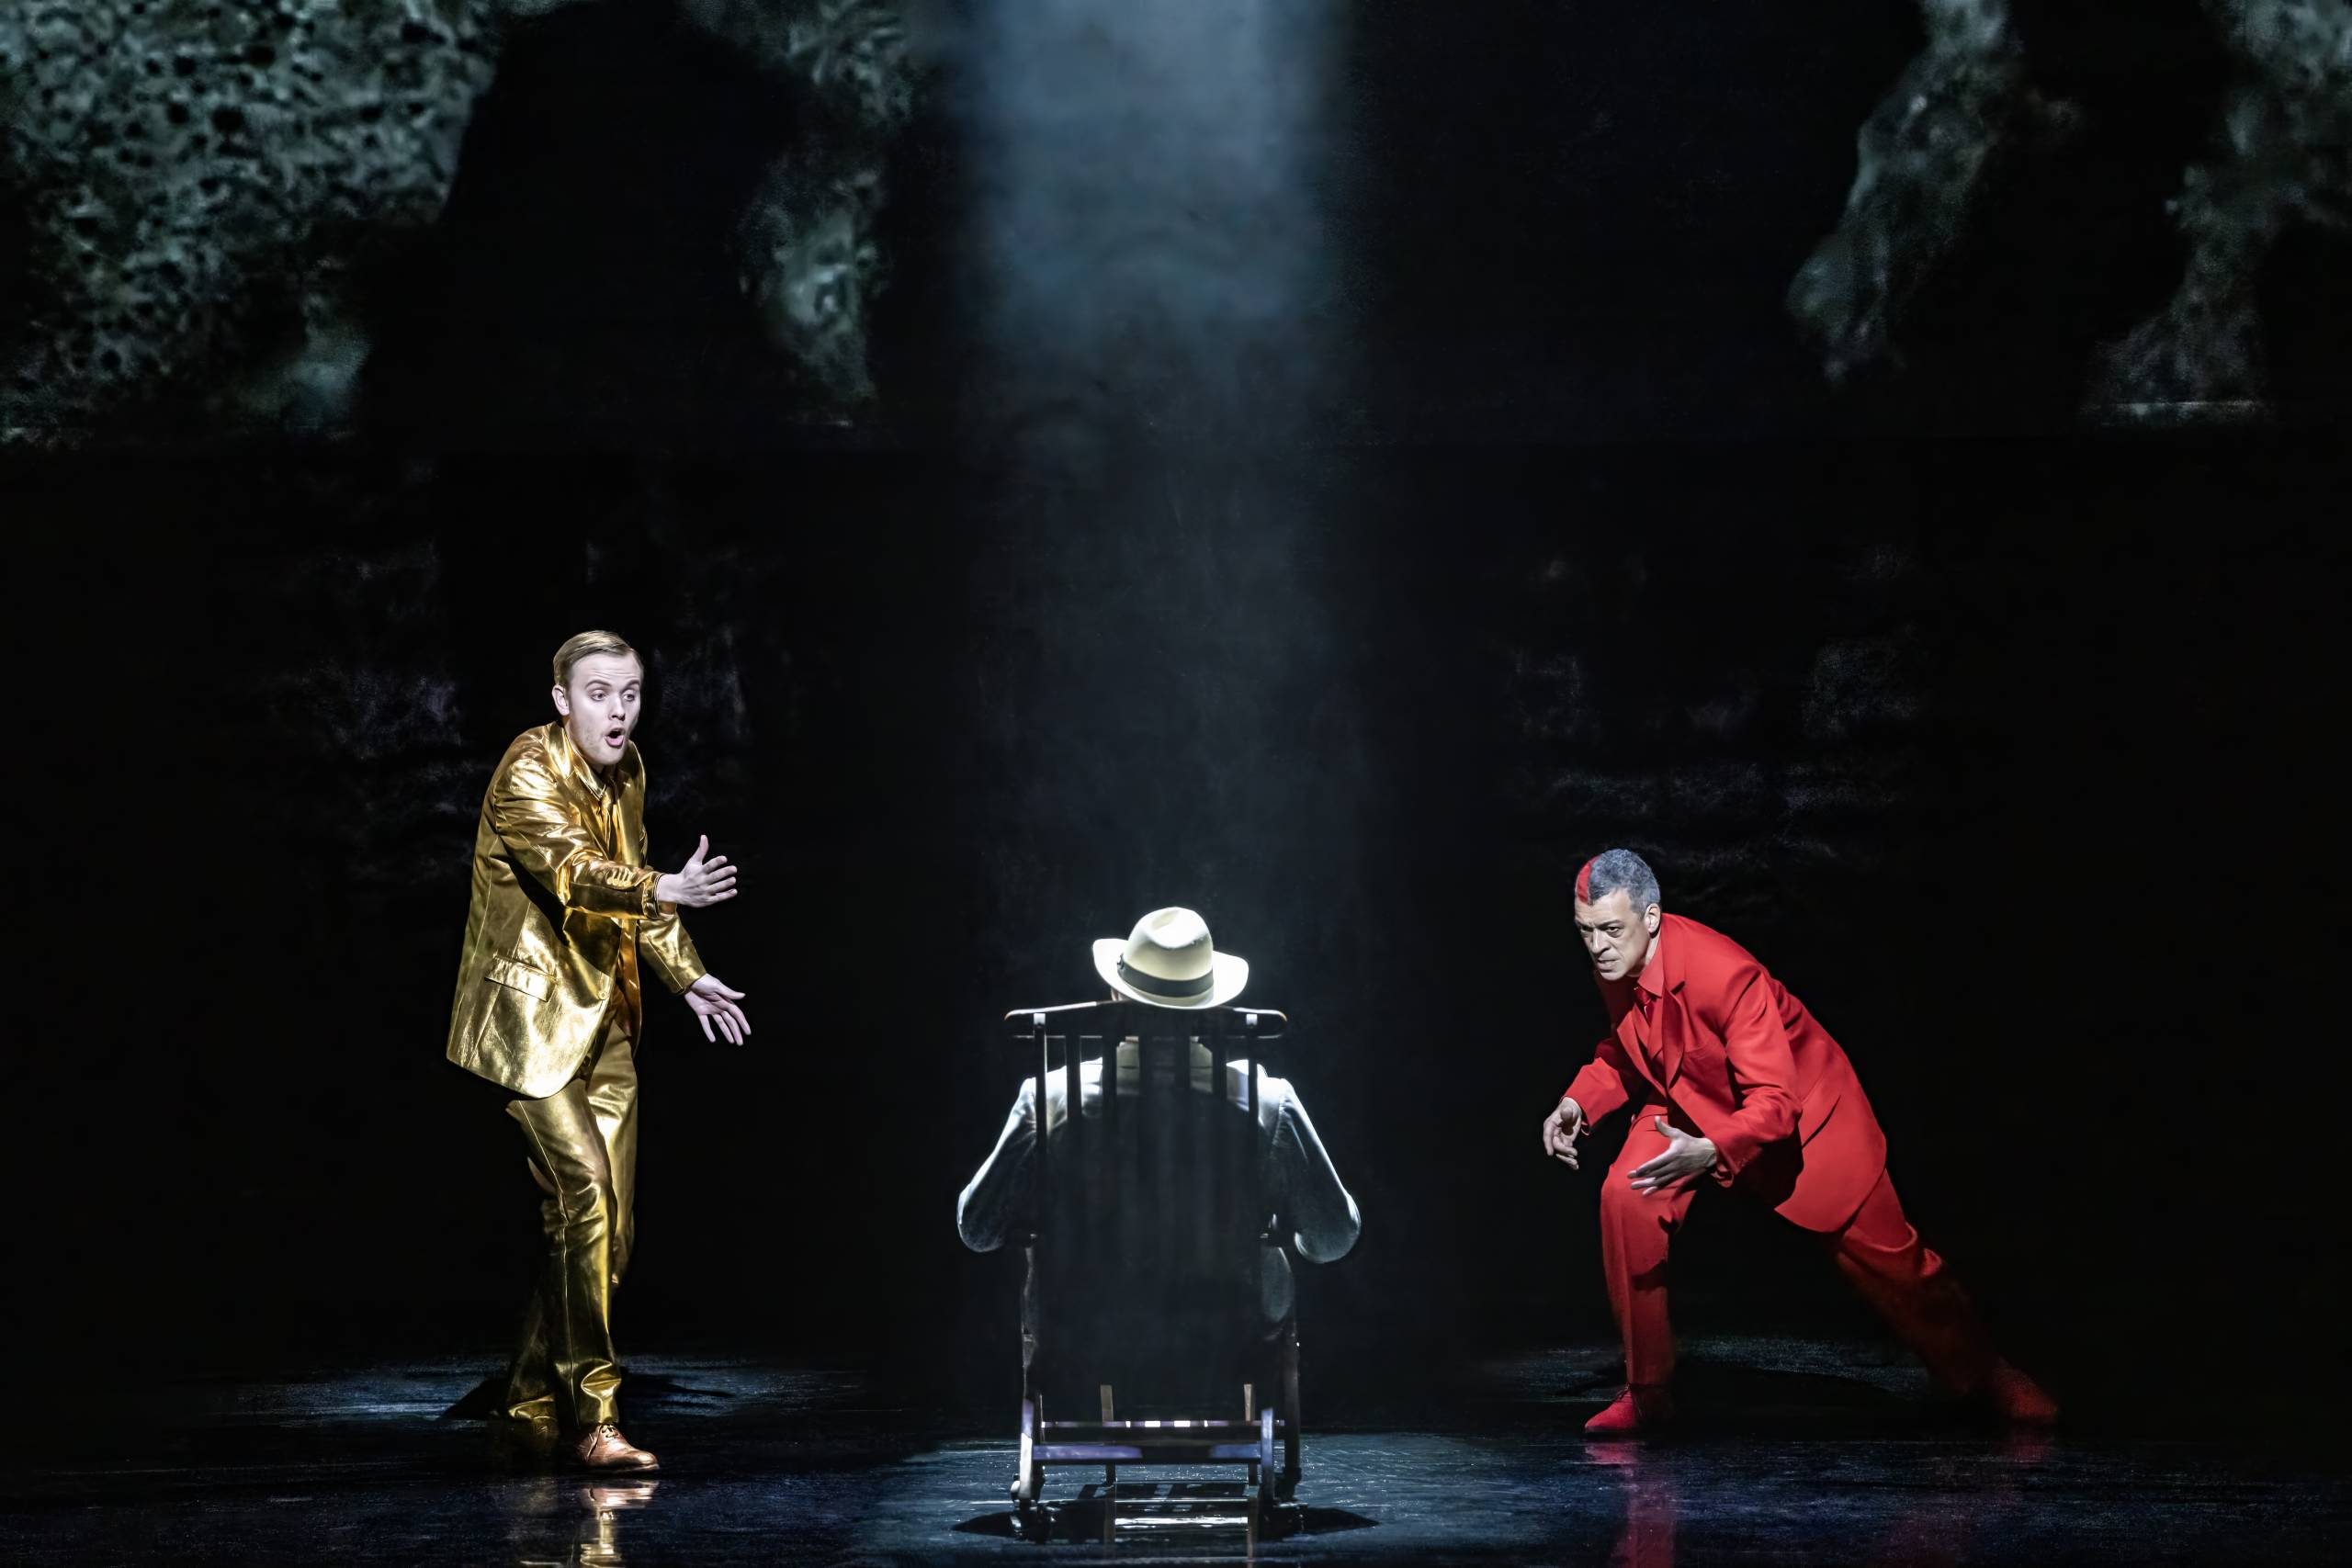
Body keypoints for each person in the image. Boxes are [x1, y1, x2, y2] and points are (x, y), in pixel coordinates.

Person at [1540, 849, 2055, 1435]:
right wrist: (1579, 1101)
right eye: (1586, 932)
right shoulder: (1616, 963)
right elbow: (1631, 1049)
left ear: (1652, 918)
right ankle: (1648, 1389)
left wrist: (1711, 1148)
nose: (1598, 946)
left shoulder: (1727, 975)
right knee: (1626, 1199)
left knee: (1892, 1261)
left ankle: (1987, 1374)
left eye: (1610, 930)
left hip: (1805, 1117)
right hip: (1690, 1104)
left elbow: (1776, 1104)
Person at [446, 629, 753, 1471]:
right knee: (582, 1197)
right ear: (560, 698)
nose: (618, 712)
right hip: (531, 1025)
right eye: (598, 693)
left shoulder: (630, 771)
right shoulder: (525, 772)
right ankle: (594, 1423)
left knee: (609, 1234)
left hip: (608, 1020)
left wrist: (687, 978)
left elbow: (637, 889)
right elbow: (579, 871)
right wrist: (663, 885)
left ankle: (524, 1403)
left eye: (630, 693)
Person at [958, 908, 1360, 1332]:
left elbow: (978, 1230)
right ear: (1212, 1006)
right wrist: (1280, 1230)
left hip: (1081, 1345)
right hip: (1231, 1342)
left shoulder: (1046, 1099)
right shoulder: (1269, 1103)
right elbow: (1333, 1239)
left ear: (1115, 996)